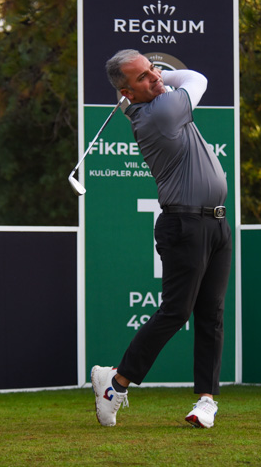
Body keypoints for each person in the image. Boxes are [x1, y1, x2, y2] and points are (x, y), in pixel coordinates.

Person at [91, 49, 232, 428]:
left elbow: (174, 83)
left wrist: (153, 80)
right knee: (176, 311)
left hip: (216, 223)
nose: (155, 77)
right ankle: (116, 385)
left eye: (153, 69)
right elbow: (197, 79)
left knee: (211, 315)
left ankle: (206, 401)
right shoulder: (160, 113)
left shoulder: (151, 105)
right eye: (143, 77)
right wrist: (167, 81)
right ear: (128, 93)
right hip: (184, 225)